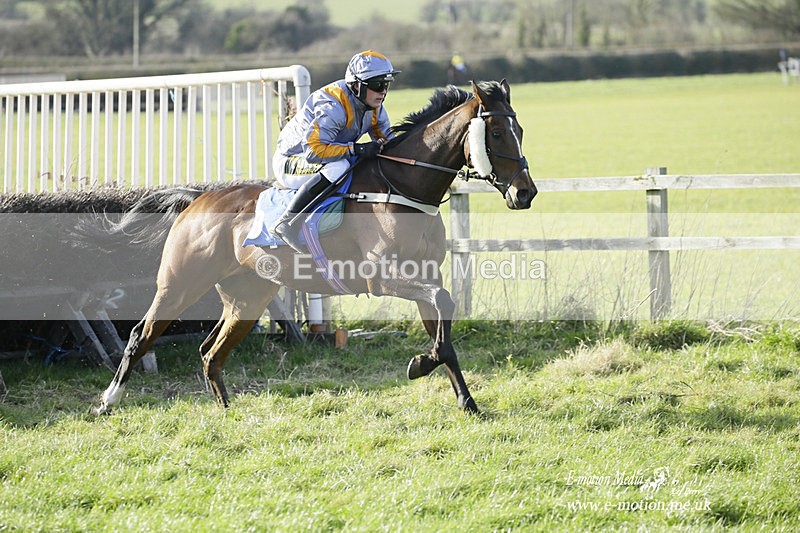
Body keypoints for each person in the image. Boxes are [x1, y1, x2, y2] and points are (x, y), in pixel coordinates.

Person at [270, 50, 400, 252]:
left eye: (386, 84)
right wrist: (356, 148)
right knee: (340, 165)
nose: (383, 91)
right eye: (377, 85)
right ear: (357, 85)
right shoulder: (333, 105)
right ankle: (287, 222)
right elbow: (314, 151)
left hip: (324, 156)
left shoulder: (375, 107)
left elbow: (390, 144)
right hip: (293, 160)